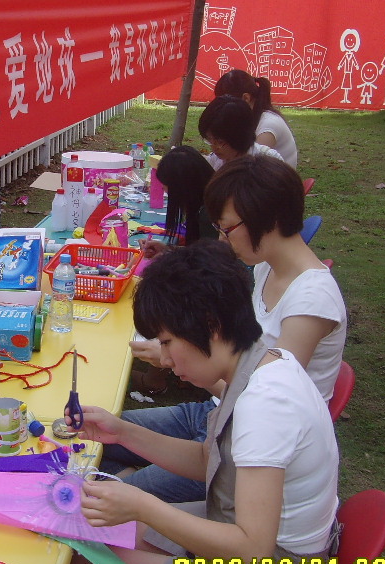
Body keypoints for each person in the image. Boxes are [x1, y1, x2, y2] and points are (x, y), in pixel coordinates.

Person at [63, 242, 339, 564]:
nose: (166, 359)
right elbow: (209, 461)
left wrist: (144, 506)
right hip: (254, 552)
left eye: (169, 341)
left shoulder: (265, 406)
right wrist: (122, 432)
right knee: (106, 534)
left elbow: (251, 550)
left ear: (210, 324)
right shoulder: (260, 363)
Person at [106, 155, 347, 502]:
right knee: (102, 438)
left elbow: (264, 391)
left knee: (115, 497)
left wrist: (178, 360)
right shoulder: (267, 267)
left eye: (228, 228)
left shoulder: (312, 300)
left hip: (249, 439)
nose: (222, 238)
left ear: (270, 217)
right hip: (217, 413)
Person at [133, 145, 215, 393]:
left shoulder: (208, 213)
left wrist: (171, 261)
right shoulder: (205, 203)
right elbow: (201, 253)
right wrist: (168, 250)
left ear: (184, 186)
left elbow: (209, 265)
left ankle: (155, 378)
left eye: (167, 186)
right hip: (211, 279)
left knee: (163, 297)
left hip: (211, 292)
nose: (165, 191)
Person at [215, 69, 298, 167]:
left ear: (246, 98)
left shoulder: (268, 125)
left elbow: (248, 165)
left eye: (226, 103)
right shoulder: (254, 118)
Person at [199, 95, 284, 171]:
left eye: (220, 142)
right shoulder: (215, 161)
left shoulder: (269, 162)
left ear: (238, 136)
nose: (214, 147)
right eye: (209, 139)